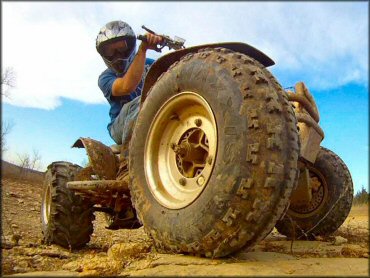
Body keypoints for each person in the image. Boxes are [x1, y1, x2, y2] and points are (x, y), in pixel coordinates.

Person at [96, 20, 162, 148]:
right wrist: (143, 50)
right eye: (111, 52)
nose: (117, 56)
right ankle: (130, 153)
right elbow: (126, 86)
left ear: (131, 47)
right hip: (119, 126)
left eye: (122, 49)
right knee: (145, 100)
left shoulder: (152, 65)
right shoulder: (105, 78)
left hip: (151, 115)